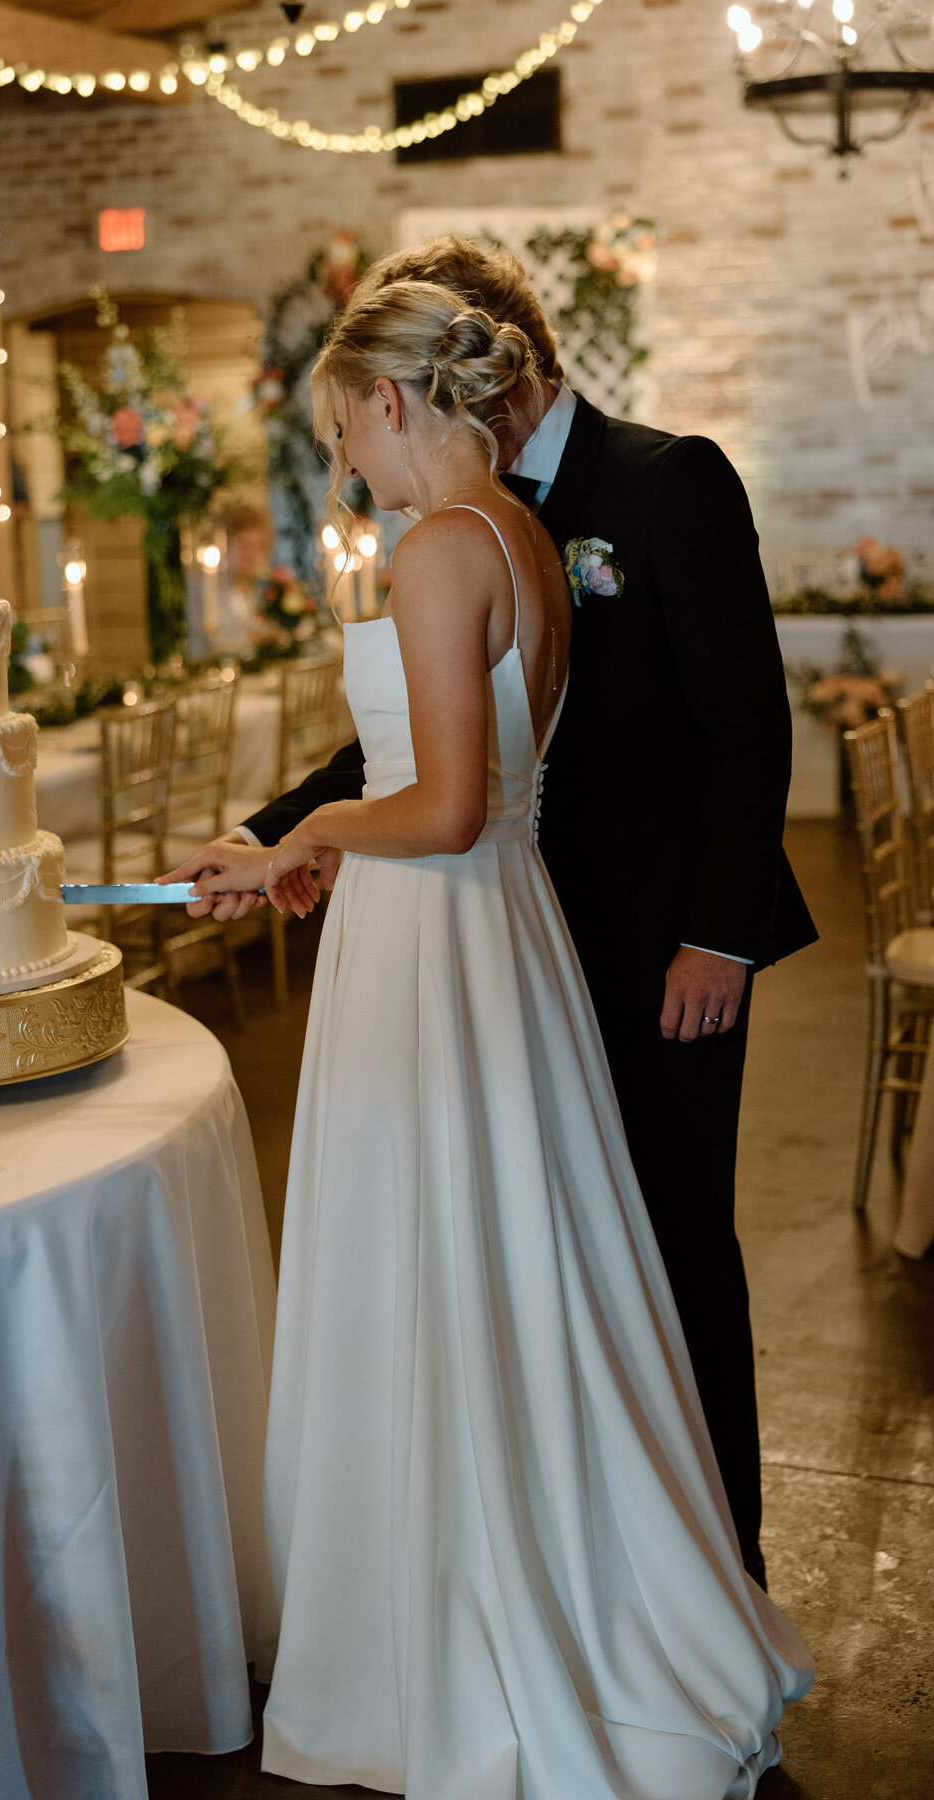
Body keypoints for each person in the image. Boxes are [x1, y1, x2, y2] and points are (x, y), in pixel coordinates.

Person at [169, 281, 813, 1799]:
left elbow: (444, 797)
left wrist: (309, 832)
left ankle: (453, 1597)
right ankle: (561, 1558)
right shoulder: (521, 536)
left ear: (394, 402)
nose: (344, 465)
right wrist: (298, 829)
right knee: (528, 1250)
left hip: (450, 922)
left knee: (447, 1243)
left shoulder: (450, 545)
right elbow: (454, 763)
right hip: (498, 920)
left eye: (343, 427)